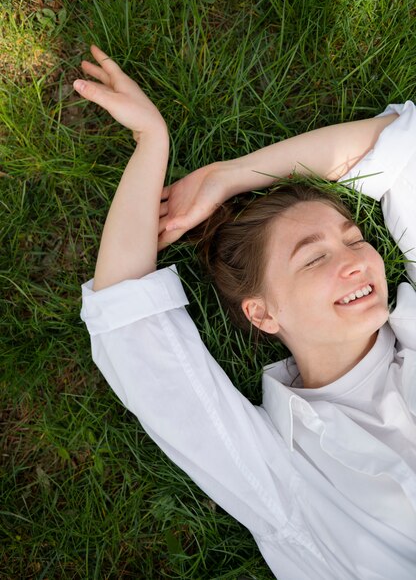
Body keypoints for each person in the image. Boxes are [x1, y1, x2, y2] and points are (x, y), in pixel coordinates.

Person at [77, 46, 416, 579]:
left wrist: (232, 176)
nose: (354, 262)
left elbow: (404, 147)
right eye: (315, 257)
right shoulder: (282, 468)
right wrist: (151, 144)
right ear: (262, 314)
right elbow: (132, 331)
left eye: (354, 239)